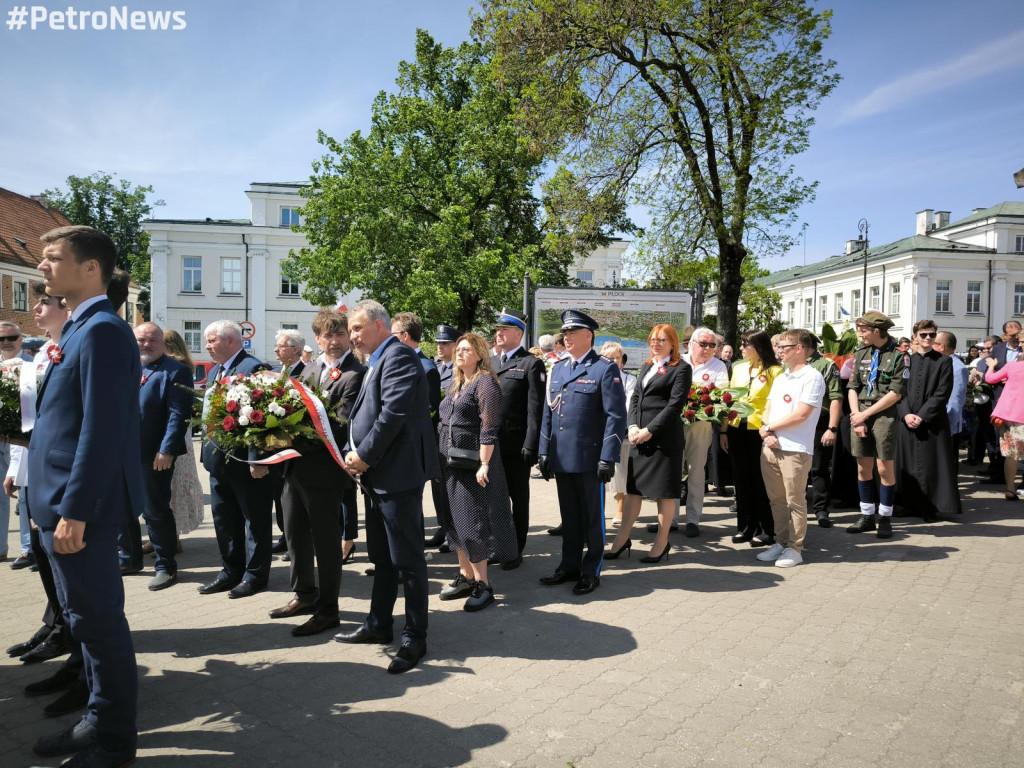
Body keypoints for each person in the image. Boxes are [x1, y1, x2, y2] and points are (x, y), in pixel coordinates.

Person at [27, 225, 142, 766]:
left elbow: (101, 431)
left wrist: (74, 511)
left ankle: (114, 740)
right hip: (54, 502)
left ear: (90, 267)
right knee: (83, 621)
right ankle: (97, 717)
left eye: (53, 258)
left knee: (99, 625)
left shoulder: (101, 330)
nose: (43, 267)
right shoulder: (77, 328)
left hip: (80, 511)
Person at [338, 300, 439, 675]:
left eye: (358, 329)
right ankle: (379, 624)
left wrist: (362, 455)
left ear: (380, 326)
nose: (352, 336)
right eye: (350, 330)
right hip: (376, 475)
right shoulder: (377, 359)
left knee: (408, 561)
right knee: (382, 557)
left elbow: (392, 415)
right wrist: (354, 452)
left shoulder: (397, 356)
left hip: (395, 474)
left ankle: (415, 636)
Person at [272, 309, 365, 636]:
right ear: (318, 339)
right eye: (329, 335)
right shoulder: (309, 368)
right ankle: (305, 594)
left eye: (340, 335)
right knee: (295, 535)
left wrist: (285, 438)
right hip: (294, 469)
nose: (335, 341)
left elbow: (339, 426)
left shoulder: (356, 375)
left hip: (326, 473)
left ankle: (328, 610)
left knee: (326, 544)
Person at [5, 285, 73, 671]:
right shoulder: (41, 355)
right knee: (44, 558)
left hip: (56, 477)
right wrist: (17, 470)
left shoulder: (69, 351)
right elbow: (28, 425)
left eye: (44, 301)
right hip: (35, 471)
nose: (36, 307)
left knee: (57, 558)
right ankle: (54, 622)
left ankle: (65, 627)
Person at [538, 310, 626, 595]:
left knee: (592, 518)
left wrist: (608, 457)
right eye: (565, 333)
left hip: (591, 459)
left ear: (588, 336)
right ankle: (569, 566)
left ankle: (591, 571)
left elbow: (615, 417)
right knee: (570, 517)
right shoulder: (559, 368)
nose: (566, 337)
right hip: (563, 457)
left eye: (572, 333)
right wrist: (544, 451)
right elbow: (548, 414)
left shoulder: (604, 368)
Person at [436, 333, 517, 610]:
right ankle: (466, 576)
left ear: (480, 354)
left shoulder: (485, 382)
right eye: (458, 349)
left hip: (472, 463)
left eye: (466, 349)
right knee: (453, 522)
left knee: (472, 523)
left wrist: (484, 464)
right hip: (449, 462)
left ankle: (484, 584)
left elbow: (489, 426)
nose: (459, 353)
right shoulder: (457, 381)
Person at [198, 320, 274, 598]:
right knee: (224, 519)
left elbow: (261, 417)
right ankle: (230, 571)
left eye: (211, 340)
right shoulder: (218, 370)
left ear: (231, 340)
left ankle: (255, 576)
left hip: (244, 463)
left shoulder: (253, 369)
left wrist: (257, 459)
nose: (207, 345)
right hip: (218, 461)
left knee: (254, 520)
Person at [607, 324, 690, 563]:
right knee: (633, 490)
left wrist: (649, 430)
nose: (656, 343)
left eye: (662, 340)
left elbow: (675, 406)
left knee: (664, 494)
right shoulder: (647, 365)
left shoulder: (681, 368)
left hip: (663, 441)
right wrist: (632, 426)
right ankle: (622, 539)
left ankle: (662, 543)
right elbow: (635, 398)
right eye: (653, 339)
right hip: (639, 438)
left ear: (673, 343)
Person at [757, 329, 825, 568]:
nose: (779, 351)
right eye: (779, 347)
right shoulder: (782, 377)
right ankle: (781, 541)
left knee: (794, 500)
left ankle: (795, 548)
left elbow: (802, 414)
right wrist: (766, 432)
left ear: (799, 348)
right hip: (771, 445)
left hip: (795, 448)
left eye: (784, 347)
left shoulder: (812, 377)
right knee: (776, 499)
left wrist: (769, 428)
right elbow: (768, 407)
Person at [134, 322, 193, 591]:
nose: (146, 344)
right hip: (124, 452)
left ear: (162, 343)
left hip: (155, 455)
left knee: (155, 511)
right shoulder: (127, 366)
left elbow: (178, 414)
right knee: (124, 509)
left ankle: (165, 566)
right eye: (141, 339)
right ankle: (130, 558)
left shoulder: (176, 370)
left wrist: (167, 449)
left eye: (152, 340)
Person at [490, 308, 545, 569]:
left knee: (518, 498)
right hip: (490, 445)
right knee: (494, 499)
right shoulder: (490, 363)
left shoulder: (530, 363)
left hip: (515, 445)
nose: (498, 333)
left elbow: (535, 410)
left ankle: (515, 549)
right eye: (497, 329)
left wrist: (531, 444)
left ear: (518, 333)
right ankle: (499, 545)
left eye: (504, 329)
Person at [846, 311, 906, 539]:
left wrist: (865, 414)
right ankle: (867, 515)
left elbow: (896, 394)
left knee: (883, 468)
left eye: (863, 330)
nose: (859, 333)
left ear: (877, 331)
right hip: (860, 413)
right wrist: (856, 416)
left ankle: (885, 517)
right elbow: (853, 386)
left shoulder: (899, 356)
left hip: (883, 415)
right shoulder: (861, 352)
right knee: (863, 467)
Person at [721, 330, 782, 545]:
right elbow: (729, 399)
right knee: (741, 480)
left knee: (761, 481)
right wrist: (724, 430)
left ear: (758, 346)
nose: (741, 348)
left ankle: (767, 528)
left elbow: (775, 404)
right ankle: (746, 526)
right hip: (737, 428)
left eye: (745, 344)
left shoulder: (775, 371)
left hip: (761, 431)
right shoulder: (737, 367)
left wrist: (770, 429)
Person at [896, 320, 959, 521]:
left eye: (931, 335)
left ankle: (929, 507)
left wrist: (922, 416)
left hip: (931, 421)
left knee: (931, 464)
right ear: (915, 336)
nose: (928, 338)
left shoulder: (944, 361)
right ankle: (908, 504)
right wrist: (906, 414)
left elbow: (942, 393)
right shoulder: (906, 360)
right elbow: (898, 391)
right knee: (907, 463)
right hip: (907, 420)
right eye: (923, 335)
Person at [670, 327, 730, 537]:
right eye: (703, 344)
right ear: (691, 344)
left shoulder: (719, 365)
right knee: (673, 471)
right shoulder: (677, 360)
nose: (707, 349)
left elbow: (720, 396)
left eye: (712, 345)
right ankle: (670, 519)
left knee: (696, 471)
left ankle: (693, 520)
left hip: (701, 424)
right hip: (674, 424)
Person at [161, 329, 205, 538]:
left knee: (172, 484)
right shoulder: (184, 364)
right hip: (182, 434)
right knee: (174, 484)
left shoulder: (174, 367)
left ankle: (171, 536)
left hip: (174, 434)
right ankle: (169, 534)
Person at [270, 329, 308, 557]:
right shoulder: (278, 373)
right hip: (278, 445)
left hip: (298, 445)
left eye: (281, 346)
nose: (276, 349)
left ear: (295, 349)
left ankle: (300, 539)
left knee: (297, 497)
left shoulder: (307, 372)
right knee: (280, 494)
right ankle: (286, 536)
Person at [0, 321, 34, 569]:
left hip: (22, 440)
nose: (5, 343)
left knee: (24, 496)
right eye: (0, 339)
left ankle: (28, 549)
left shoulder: (32, 367)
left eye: (10, 337)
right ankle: (1, 548)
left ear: (21, 339)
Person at [425, 323, 459, 552]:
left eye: (445, 343)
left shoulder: (459, 370)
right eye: (438, 343)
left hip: (452, 436)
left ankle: (454, 529)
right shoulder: (435, 368)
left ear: (455, 345)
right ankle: (443, 525)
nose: (440, 347)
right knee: (437, 485)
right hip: (436, 434)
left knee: (451, 485)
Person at [805, 336, 844, 527]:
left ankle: (821, 509)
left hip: (819, 421)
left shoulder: (825, 365)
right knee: (796, 467)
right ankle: (795, 508)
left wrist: (832, 428)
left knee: (819, 467)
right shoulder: (789, 366)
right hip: (796, 422)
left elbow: (836, 397)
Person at [599, 343, 637, 527]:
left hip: (620, 432)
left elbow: (629, 404)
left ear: (622, 361)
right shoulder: (597, 375)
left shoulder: (629, 380)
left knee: (620, 472)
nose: (614, 361)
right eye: (609, 358)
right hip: (599, 431)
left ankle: (620, 508)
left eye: (617, 358)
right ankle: (598, 510)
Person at [983, 349, 1024, 501]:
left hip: (1010, 414)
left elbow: (990, 379)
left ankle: (1010, 489)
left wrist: (992, 366)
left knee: (1012, 455)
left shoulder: (1012, 367)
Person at [934, 331, 968, 461]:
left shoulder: (958, 368)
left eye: (934, 343)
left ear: (942, 347)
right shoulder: (942, 363)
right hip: (939, 422)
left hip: (947, 425)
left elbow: (956, 400)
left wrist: (949, 426)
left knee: (948, 463)